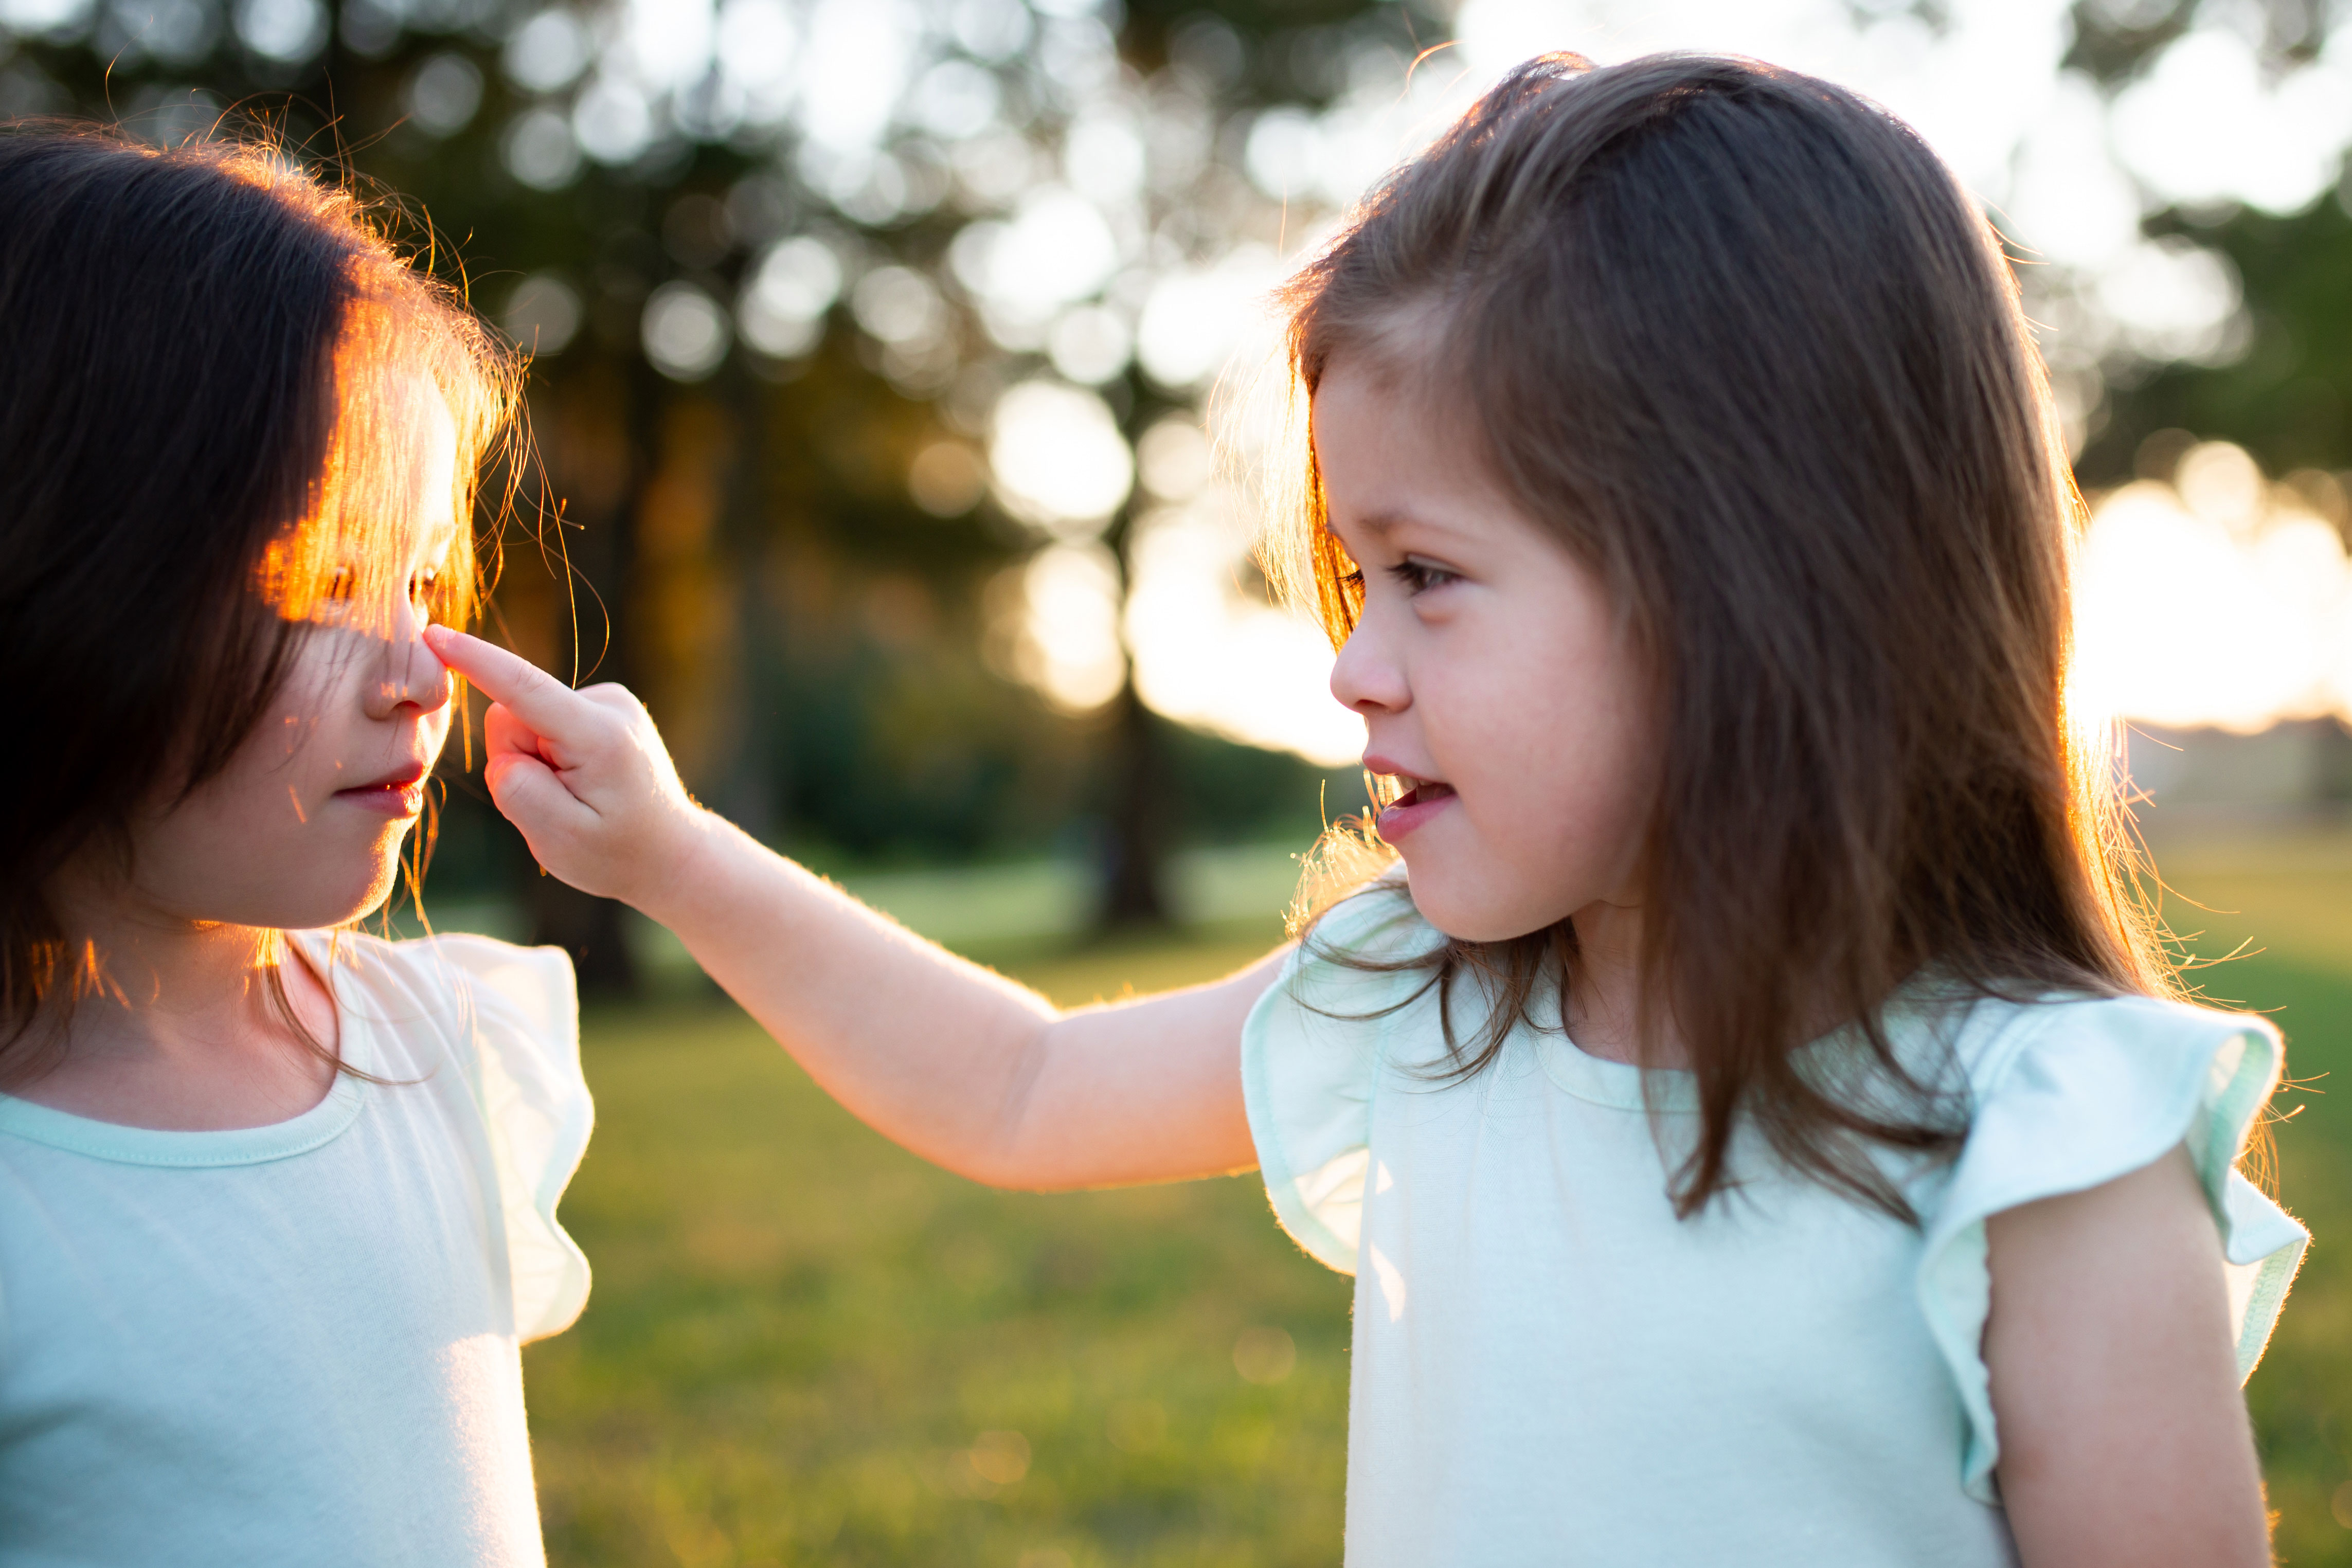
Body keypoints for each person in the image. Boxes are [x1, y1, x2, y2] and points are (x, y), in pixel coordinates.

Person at [433, 53, 2306, 1567]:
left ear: (1750, 578)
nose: (1353, 666)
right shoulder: (1429, 1002)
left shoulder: (2041, 1144)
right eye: (1353, 577)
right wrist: (677, 852)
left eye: (1427, 573)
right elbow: (1019, 1089)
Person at [0, 129, 590, 1566]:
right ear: (69, 568)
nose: (421, 669)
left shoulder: (450, 1045)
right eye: (322, 578)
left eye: (422, 578)